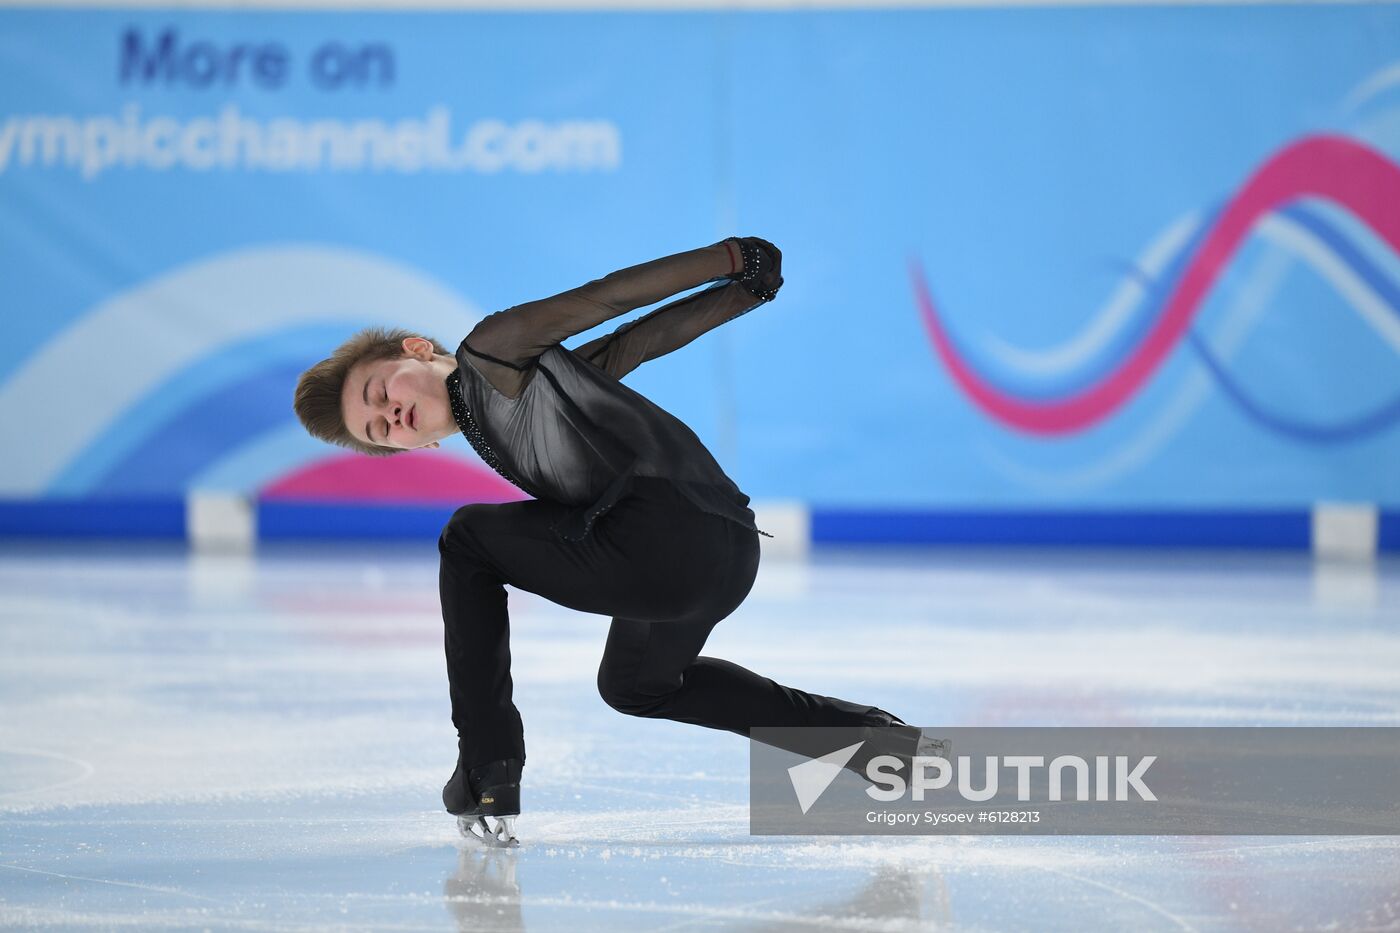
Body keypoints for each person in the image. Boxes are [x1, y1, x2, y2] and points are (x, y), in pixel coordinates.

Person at [293, 238, 931, 846]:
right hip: (723, 552)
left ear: (416, 349)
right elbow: (637, 343)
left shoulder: (491, 352)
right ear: (416, 448)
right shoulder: (541, 391)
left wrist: (731, 260)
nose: (391, 414)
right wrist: (741, 294)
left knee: (466, 541)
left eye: (382, 392)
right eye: (379, 428)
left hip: (666, 536)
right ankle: (874, 745)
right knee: (636, 685)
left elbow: (604, 299)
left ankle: (486, 767)